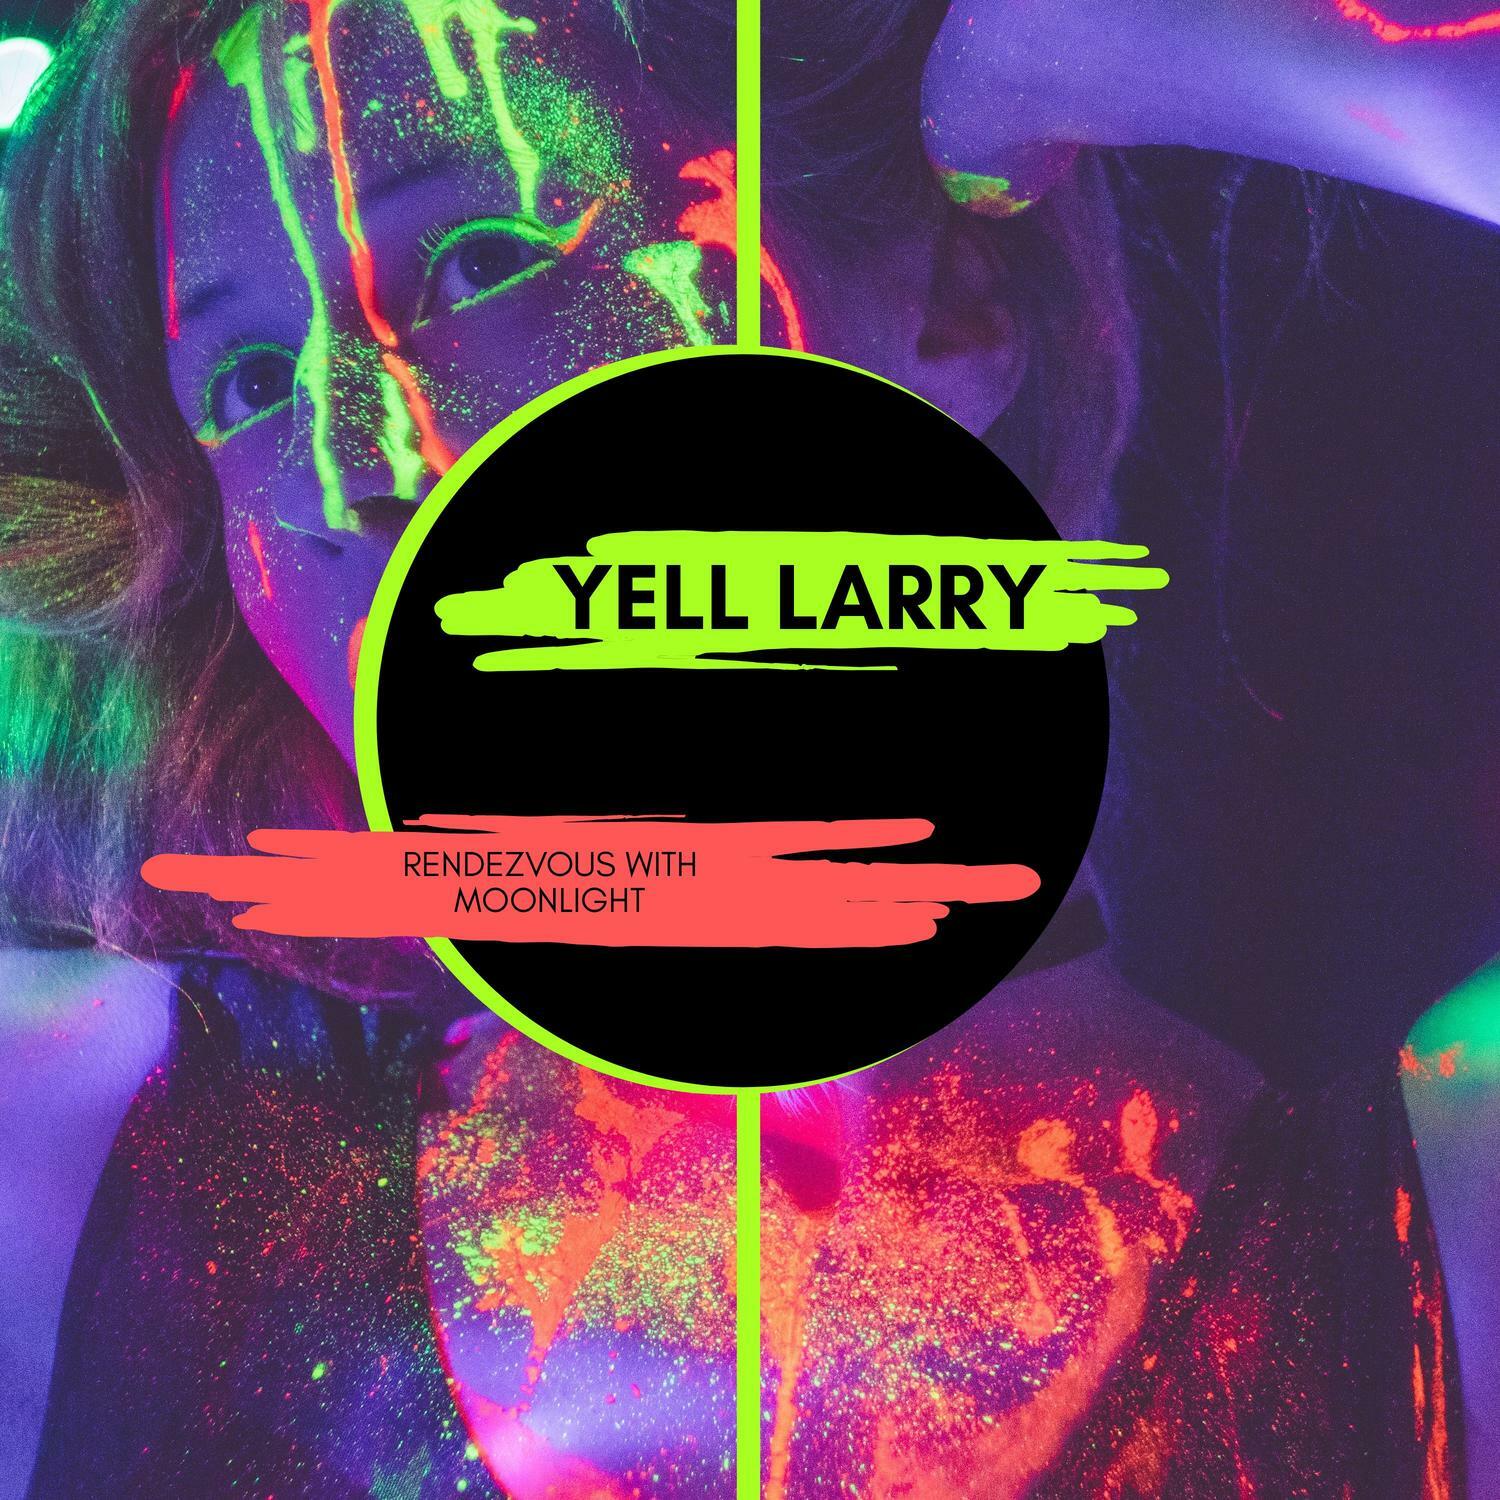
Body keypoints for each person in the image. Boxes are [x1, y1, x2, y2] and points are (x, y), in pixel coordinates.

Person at [0, 0, 1495, 1495]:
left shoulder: (1441, 1211)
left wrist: (1060, 49)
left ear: (953, 303)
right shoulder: (87, 1138)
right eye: (250, 385)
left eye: (481, 262)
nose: (347, 468)